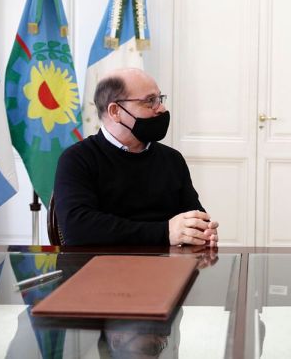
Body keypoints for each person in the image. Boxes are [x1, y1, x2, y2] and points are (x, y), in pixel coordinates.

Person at [54, 68, 218, 246]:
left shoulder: (172, 159)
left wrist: (203, 232)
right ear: (115, 111)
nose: (161, 108)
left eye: (160, 99)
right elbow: (78, 229)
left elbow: (194, 219)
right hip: (101, 262)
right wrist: (164, 233)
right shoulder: (77, 159)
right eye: (150, 101)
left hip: (166, 263)